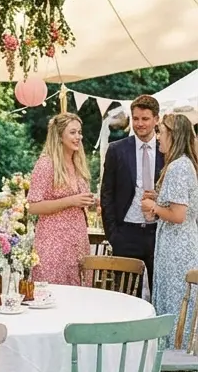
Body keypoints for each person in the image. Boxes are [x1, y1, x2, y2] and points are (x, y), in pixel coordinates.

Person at [141, 113, 198, 346]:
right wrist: (159, 199)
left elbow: (178, 215)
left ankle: (175, 355)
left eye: (161, 132)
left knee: (174, 303)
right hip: (176, 245)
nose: (157, 138)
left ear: (173, 136)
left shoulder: (178, 167)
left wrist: (153, 207)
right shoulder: (183, 165)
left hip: (178, 249)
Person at [101, 95, 163, 289]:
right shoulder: (116, 150)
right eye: (135, 119)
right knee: (125, 295)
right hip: (125, 233)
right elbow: (107, 194)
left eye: (145, 119)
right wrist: (114, 235)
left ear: (156, 119)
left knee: (159, 293)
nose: (139, 124)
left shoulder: (167, 151)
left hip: (158, 233)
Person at [27, 113, 93, 286]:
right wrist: (71, 201)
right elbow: (33, 206)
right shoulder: (46, 164)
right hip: (53, 242)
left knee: (79, 295)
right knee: (52, 292)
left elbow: (79, 200)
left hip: (77, 240)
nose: (78, 137)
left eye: (79, 132)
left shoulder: (77, 163)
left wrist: (91, 201)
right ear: (59, 136)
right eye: (73, 132)